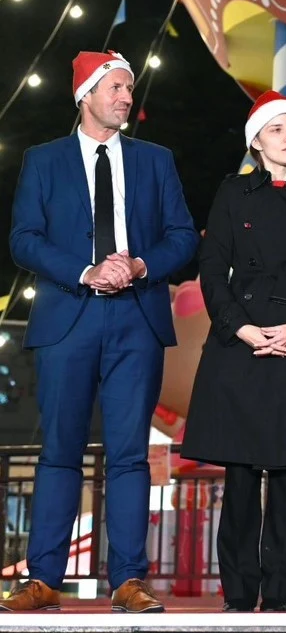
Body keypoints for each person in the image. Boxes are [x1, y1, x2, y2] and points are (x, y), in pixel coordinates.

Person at [5, 51, 198, 613]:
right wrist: (85, 271)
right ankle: (43, 579)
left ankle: (129, 580)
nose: (126, 97)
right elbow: (24, 239)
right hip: (68, 315)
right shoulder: (44, 160)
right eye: (115, 88)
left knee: (131, 453)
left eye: (129, 89)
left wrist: (138, 265)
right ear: (85, 95)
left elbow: (183, 236)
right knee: (59, 451)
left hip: (137, 317)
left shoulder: (156, 160)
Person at [181, 91, 286, 612]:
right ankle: (238, 594)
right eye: (277, 129)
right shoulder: (234, 191)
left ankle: (279, 594)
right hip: (242, 342)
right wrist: (242, 328)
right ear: (256, 141)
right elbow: (213, 268)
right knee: (240, 473)